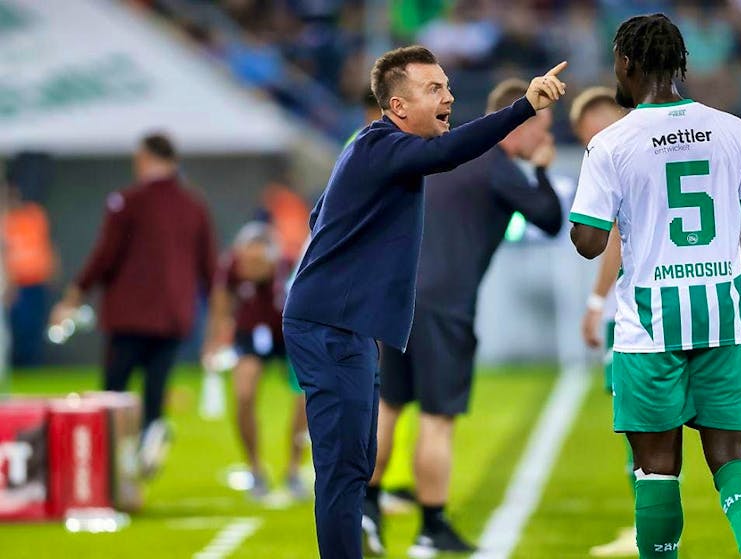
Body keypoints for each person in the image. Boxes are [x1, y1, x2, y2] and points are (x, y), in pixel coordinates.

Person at [282, 45, 566, 559]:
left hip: (350, 324)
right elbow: (448, 153)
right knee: (345, 471)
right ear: (397, 106)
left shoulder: (374, 149)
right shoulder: (384, 148)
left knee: (356, 462)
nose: (449, 97)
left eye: (447, 86)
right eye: (434, 89)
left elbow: (320, 214)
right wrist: (523, 106)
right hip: (333, 326)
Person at [569, 14, 741, 559]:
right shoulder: (732, 129)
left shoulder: (611, 143)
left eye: (617, 56)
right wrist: (720, 274)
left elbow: (590, 242)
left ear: (629, 63)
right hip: (721, 317)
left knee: (656, 469)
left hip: (647, 327)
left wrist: (586, 210)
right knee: (732, 456)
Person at [366, 77, 564, 555]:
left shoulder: (443, 153)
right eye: (544, 129)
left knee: (388, 406)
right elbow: (551, 219)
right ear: (520, 124)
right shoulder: (497, 165)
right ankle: (431, 528)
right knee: (437, 418)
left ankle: (365, 508)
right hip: (445, 306)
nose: (547, 140)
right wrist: (538, 171)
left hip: (399, 298)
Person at [50, 133, 217, 476]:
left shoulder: (128, 201)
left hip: (130, 314)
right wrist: (219, 320)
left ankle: (109, 469)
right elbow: (211, 270)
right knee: (155, 391)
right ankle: (149, 441)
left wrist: (74, 294)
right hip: (174, 316)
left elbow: (105, 256)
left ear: (144, 158)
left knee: (113, 393)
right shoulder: (195, 205)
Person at [570, 87, 637, 558]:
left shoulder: (619, 153)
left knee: (640, 425)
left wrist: (596, 302)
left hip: (631, 312)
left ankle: (647, 526)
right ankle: (648, 522)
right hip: (665, 303)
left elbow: (611, 238)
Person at [202, 221, 308, 500]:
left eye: (257, 261)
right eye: (246, 259)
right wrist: (213, 342)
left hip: (289, 332)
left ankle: (294, 469)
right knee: (244, 395)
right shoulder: (231, 267)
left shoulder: (289, 267)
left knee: (306, 399)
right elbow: (220, 304)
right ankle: (255, 468)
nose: (249, 267)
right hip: (250, 333)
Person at [2, 177, 57, 367]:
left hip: (36, 283)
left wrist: (51, 270)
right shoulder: (3, 220)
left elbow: (45, 245)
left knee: (34, 330)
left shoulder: (34, 214)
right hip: (14, 287)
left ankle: (32, 368)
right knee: (16, 331)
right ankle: (15, 367)